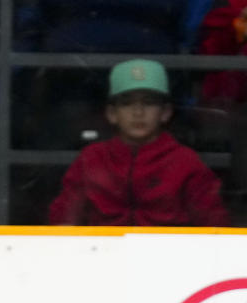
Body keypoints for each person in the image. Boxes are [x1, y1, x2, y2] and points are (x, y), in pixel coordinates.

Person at [49, 58, 230, 226]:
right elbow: (64, 220)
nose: (138, 112)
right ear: (112, 113)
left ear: (165, 112)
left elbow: (214, 226)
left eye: (149, 103)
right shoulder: (91, 159)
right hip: (101, 256)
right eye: (127, 103)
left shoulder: (186, 162)